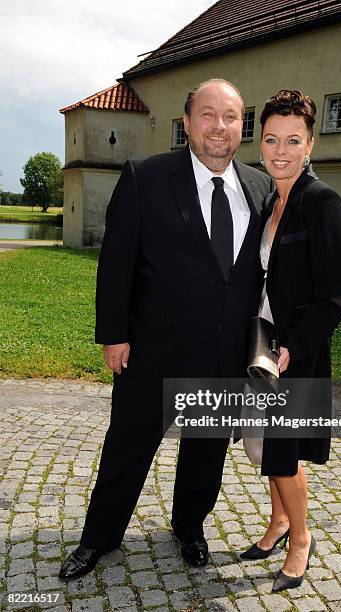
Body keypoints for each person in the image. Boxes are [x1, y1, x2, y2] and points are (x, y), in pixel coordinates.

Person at [59, 78, 272, 581]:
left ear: (242, 125)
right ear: (187, 122)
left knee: (207, 452)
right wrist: (114, 334)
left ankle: (189, 528)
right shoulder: (145, 177)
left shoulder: (260, 187)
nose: (219, 127)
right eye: (207, 115)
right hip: (152, 350)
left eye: (231, 116)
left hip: (223, 357)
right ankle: (98, 539)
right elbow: (116, 265)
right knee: (127, 449)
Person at [239, 90, 341, 593]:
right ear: (259, 142)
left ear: (310, 143)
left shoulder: (321, 201)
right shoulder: (270, 199)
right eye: (270, 139)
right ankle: (277, 522)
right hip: (262, 337)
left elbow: (334, 294)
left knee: (284, 451)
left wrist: (295, 346)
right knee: (263, 445)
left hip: (295, 349)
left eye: (292, 139)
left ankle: (301, 539)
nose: (279, 150)